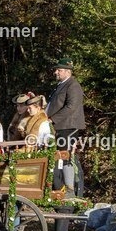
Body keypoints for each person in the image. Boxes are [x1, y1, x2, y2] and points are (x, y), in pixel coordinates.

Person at [47, 57, 85, 197]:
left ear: (68, 72)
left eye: (59, 70)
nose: (56, 72)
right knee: (58, 157)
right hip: (60, 127)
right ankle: (59, 187)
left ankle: (69, 189)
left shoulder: (73, 85)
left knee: (65, 156)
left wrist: (52, 119)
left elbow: (71, 107)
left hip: (69, 126)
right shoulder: (60, 85)